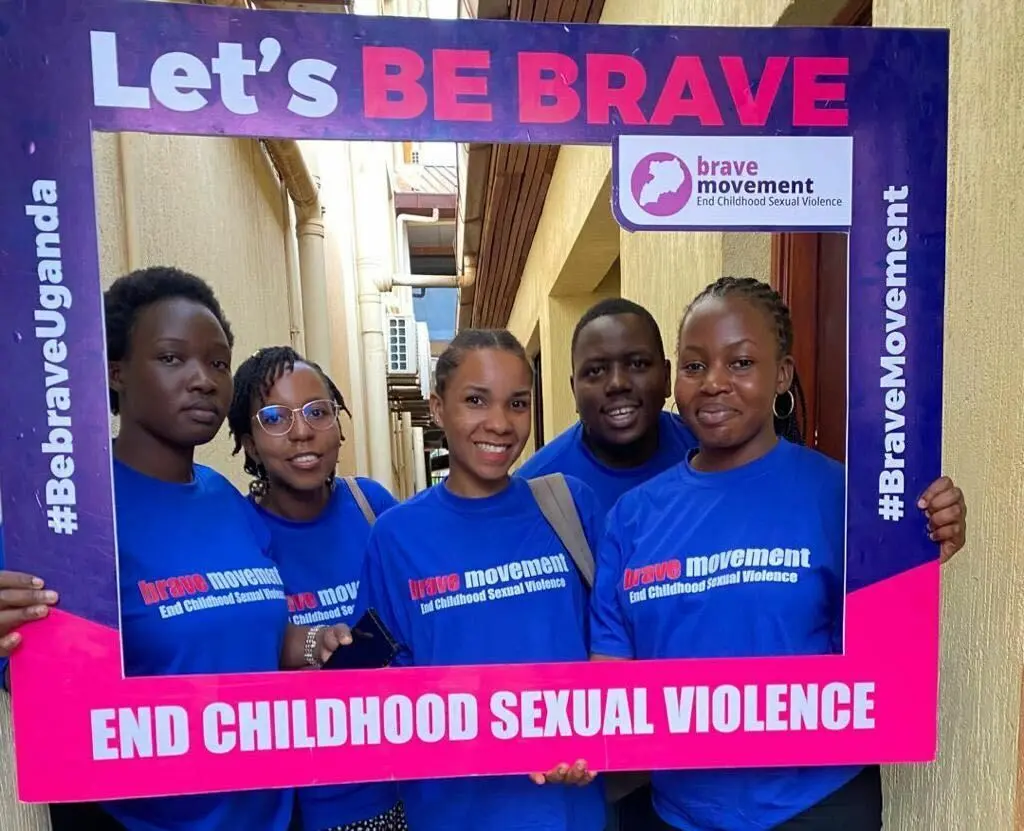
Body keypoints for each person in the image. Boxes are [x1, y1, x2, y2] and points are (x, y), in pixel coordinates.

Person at [517, 295, 967, 830]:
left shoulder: (845, 498)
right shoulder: (632, 519)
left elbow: (887, 655)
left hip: (818, 805)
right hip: (678, 813)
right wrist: (571, 738)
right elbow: (612, 678)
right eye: (695, 365)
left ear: (781, 376)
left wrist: (920, 545)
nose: (713, 382)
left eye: (741, 363)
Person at [0, 267, 355, 831]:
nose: (203, 380)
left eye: (217, 362)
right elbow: (40, 678)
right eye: (172, 358)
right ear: (116, 373)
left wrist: (313, 644)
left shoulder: (228, 501)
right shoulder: (66, 516)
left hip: (274, 814)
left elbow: (249, 637)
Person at [357, 328, 606, 831]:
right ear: (437, 407)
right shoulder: (396, 536)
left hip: (567, 806)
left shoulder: (568, 505)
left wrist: (592, 737)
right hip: (452, 808)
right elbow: (382, 680)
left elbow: (609, 643)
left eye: (517, 403)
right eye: (475, 400)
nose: (499, 423)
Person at [227, 345, 406, 831]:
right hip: (308, 803)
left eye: (317, 411)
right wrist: (311, 644)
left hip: (405, 780)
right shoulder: (237, 532)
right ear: (247, 442)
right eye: (275, 417)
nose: (302, 431)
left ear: (339, 424)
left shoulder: (372, 505)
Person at [515, 299, 696, 518]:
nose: (617, 384)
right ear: (574, 391)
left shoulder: (708, 451)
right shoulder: (533, 491)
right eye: (596, 371)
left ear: (667, 377)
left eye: (637, 364)